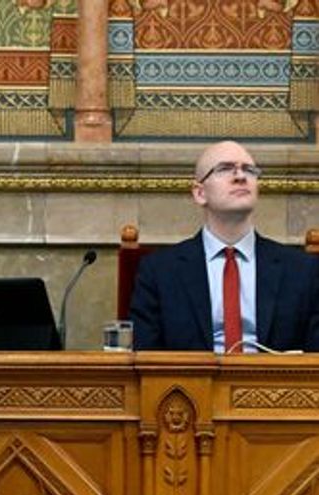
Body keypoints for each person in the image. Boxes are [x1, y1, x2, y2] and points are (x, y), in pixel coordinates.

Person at [129, 140, 319, 353]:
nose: (240, 176)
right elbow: (145, 357)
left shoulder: (302, 270)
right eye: (225, 169)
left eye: (249, 170)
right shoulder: (160, 271)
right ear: (200, 193)